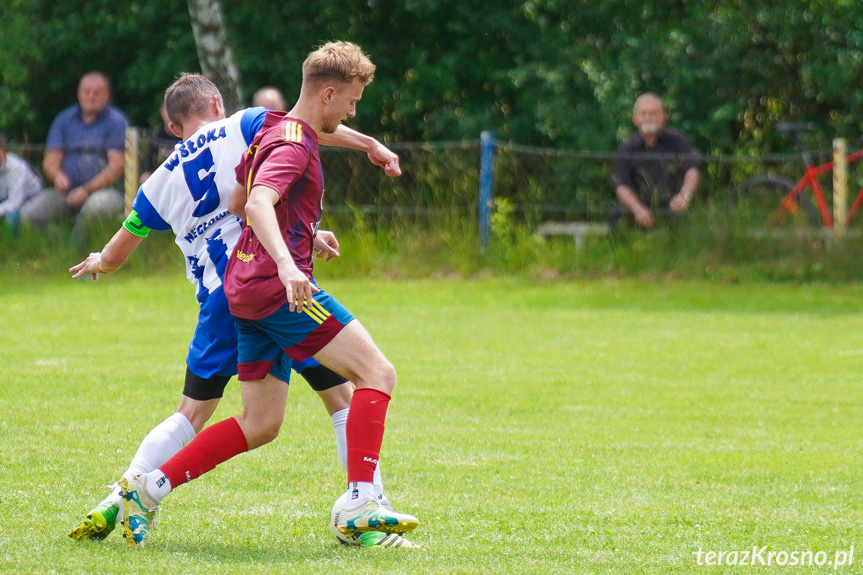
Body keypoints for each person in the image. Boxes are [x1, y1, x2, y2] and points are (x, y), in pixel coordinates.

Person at [68, 72, 415, 549]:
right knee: (346, 388)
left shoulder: (157, 183)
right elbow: (300, 134)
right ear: (216, 102)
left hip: (221, 299)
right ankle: (366, 509)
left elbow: (121, 248)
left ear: (173, 127)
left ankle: (125, 492)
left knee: (200, 413)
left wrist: (100, 262)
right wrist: (368, 145)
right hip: (269, 277)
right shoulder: (243, 124)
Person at [20, 71, 128, 231]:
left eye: (96, 93)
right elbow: (50, 160)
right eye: (86, 92)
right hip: (67, 192)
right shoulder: (64, 120)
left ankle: (77, 253)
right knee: (29, 214)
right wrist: (58, 177)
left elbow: (117, 166)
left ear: (106, 96)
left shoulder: (116, 121)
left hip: (107, 192)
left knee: (94, 209)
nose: (91, 96)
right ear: (79, 94)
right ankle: (56, 250)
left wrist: (86, 190)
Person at [609, 92, 701, 230]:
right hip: (638, 209)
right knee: (616, 214)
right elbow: (620, 186)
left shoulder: (677, 140)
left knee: (690, 218)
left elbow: (692, 171)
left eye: (653, 113)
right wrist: (637, 209)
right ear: (635, 119)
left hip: (672, 206)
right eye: (643, 113)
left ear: (662, 117)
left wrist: (684, 196)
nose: (648, 118)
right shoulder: (626, 148)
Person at [0, 133, 42, 226]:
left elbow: (14, 204)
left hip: (29, 198)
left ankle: (12, 240)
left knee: (10, 219)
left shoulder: (15, 167)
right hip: (6, 197)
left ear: (5, 152)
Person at [138, 105, 179, 184]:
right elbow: (147, 167)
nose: (172, 116)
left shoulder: (188, 136)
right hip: (159, 178)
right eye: (169, 111)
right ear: (162, 111)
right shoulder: (153, 136)